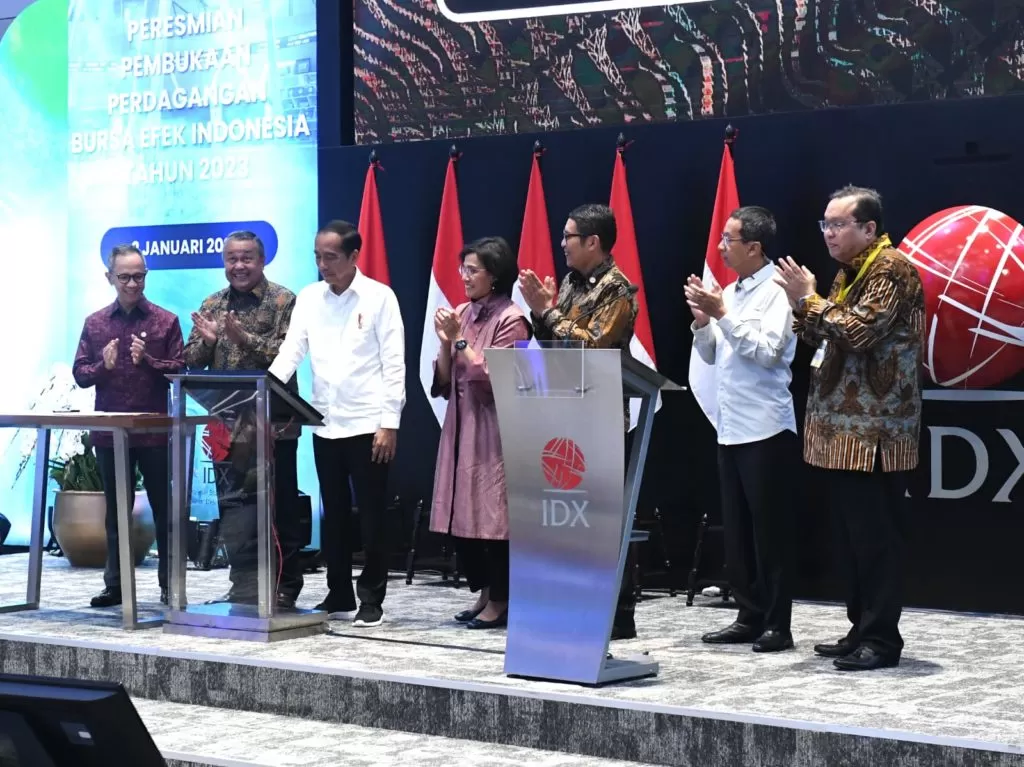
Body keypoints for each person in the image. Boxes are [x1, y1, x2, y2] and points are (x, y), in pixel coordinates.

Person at [775, 185, 924, 671]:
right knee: (854, 538)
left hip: (875, 432)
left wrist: (811, 300)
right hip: (841, 431)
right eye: (825, 224)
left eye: (838, 224)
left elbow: (858, 332)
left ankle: (882, 639)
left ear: (869, 229)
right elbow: (818, 334)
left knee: (876, 539)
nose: (829, 233)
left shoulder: (892, 270)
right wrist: (805, 306)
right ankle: (861, 626)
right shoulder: (847, 273)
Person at [269, 220, 406, 628]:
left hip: (369, 424)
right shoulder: (310, 298)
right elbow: (292, 350)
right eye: (317, 257)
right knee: (334, 513)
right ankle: (339, 590)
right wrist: (267, 387)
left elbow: (394, 364)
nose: (323, 265)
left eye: (330, 257)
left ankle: (372, 596)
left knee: (372, 514)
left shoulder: (380, 297)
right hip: (325, 421)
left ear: (352, 257)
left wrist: (390, 423)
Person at [517, 202, 640, 640]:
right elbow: (554, 342)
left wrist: (546, 310)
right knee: (568, 516)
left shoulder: (619, 288)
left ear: (593, 241)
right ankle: (572, 600)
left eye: (569, 236)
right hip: (564, 410)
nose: (562, 244)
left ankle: (618, 613)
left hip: (602, 415)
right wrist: (540, 314)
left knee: (605, 519)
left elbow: (596, 347)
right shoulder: (570, 282)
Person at [685, 206, 799, 653]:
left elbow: (768, 353)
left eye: (728, 241)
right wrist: (701, 321)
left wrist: (722, 315)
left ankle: (778, 624)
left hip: (765, 427)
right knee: (737, 530)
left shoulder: (778, 290)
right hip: (730, 426)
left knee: (770, 532)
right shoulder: (731, 290)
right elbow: (714, 356)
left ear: (754, 246)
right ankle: (748, 614)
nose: (720, 248)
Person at [184, 231, 304, 609]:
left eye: (246, 258)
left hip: (274, 426)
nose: (239, 266)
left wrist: (242, 337)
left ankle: (286, 585)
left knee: (279, 507)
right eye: (232, 259)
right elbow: (191, 360)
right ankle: (245, 585)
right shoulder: (212, 303)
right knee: (235, 510)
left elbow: (288, 355)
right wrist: (207, 341)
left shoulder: (284, 300)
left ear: (262, 260)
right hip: (227, 428)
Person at [72, 244, 185, 608]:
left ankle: (171, 585)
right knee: (115, 514)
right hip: (110, 434)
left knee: (165, 513)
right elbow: (80, 374)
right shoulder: (95, 323)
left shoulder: (165, 321)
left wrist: (147, 360)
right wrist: (103, 366)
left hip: (153, 433)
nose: (133, 284)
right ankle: (116, 585)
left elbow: (180, 371)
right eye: (125, 277)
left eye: (139, 276)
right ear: (110, 278)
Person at [430, 237, 531, 630]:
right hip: (460, 424)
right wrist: (444, 344)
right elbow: (442, 379)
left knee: (494, 518)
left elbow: (494, 378)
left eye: (473, 270)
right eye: (463, 269)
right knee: (465, 517)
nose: (465, 277)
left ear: (496, 275)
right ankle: (486, 593)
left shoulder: (511, 320)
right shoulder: (463, 313)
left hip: (494, 429)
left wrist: (457, 340)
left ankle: (503, 599)